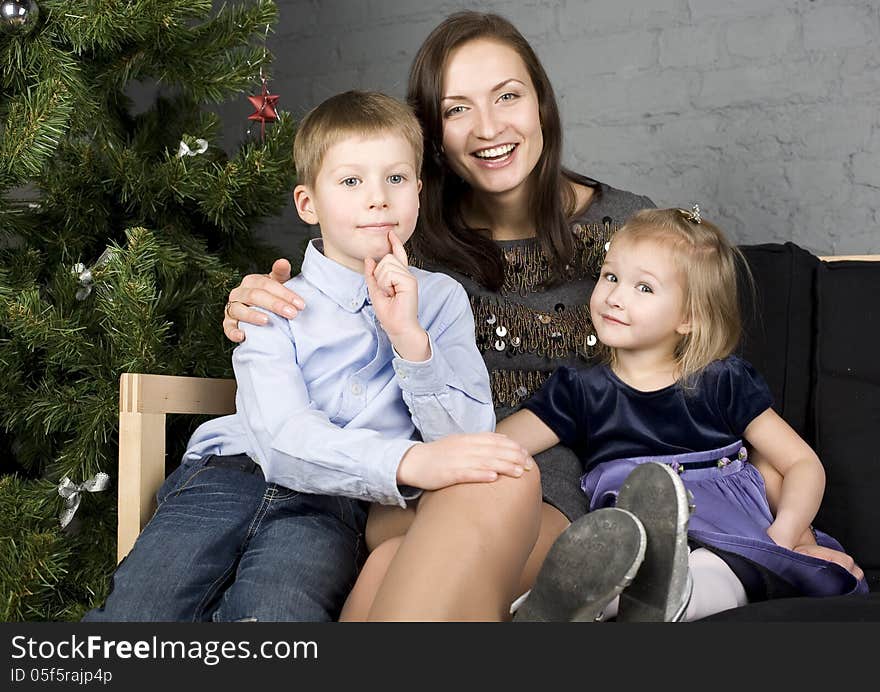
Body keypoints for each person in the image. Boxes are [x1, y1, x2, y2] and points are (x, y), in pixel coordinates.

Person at [221, 12, 861, 620]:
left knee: (407, 556)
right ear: (430, 139)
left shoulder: (628, 230)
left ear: (541, 106)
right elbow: (330, 303)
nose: (487, 127)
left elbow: (691, 378)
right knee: (402, 537)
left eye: (507, 97)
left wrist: (781, 528)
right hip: (426, 465)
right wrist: (258, 298)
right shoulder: (403, 231)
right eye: (456, 109)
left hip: (561, 481)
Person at [83, 90, 534, 622]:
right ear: (307, 204)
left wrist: (410, 341)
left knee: (277, 615)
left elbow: (466, 440)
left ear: (417, 190)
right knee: (140, 612)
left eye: (395, 179)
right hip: (230, 474)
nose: (377, 199)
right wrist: (410, 461)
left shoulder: (439, 301)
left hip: (334, 506)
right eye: (350, 181)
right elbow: (280, 439)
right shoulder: (272, 302)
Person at [510, 208, 868, 622]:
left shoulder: (720, 381)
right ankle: (564, 600)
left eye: (644, 287)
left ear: (689, 318)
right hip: (635, 526)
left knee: (718, 568)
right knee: (626, 563)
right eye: (610, 277)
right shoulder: (578, 390)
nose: (615, 296)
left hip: (726, 526)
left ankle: (671, 599)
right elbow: (501, 444)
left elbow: (802, 464)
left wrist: (785, 536)